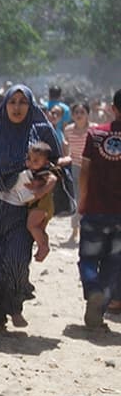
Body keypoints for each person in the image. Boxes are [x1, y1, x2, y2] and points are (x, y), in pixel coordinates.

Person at [0, 85, 61, 330]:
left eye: (22, 102)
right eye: (12, 102)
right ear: (4, 105)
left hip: (22, 212)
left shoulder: (40, 130)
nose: (17, 107)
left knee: (16, 260)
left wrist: (51, 178)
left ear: (31, 105)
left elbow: (58, 162)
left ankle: (14, 306)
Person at [78, 88, 121, 328]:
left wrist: (83, 199)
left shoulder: (95, 134)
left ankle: (92, 289)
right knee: (114, 262)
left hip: (95, 208)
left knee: (88, 258)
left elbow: (85, 171)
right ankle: (99, 308)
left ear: (113, 108)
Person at [0, 142, 58, 262]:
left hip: (41, 205)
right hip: (38, 205)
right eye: (29, 158)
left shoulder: (44, 171)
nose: (31, 162)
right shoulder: (33, 171)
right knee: (39, 229)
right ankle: (43, 246)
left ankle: (43, 246)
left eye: (36, 161)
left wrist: (41, 191)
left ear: (45, 162)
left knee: (31, 225)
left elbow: (53, 179)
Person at [62, 102, 95, 243]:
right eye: (76, 112)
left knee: (89, 200)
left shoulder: (94, 129)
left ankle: (86, 230)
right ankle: (75, 230)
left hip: (92, 169)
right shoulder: (68, 130)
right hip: (75, 168)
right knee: (77, 199)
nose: (79, 115)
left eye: (82, 112)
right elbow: (67, 149)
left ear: (88, 114)